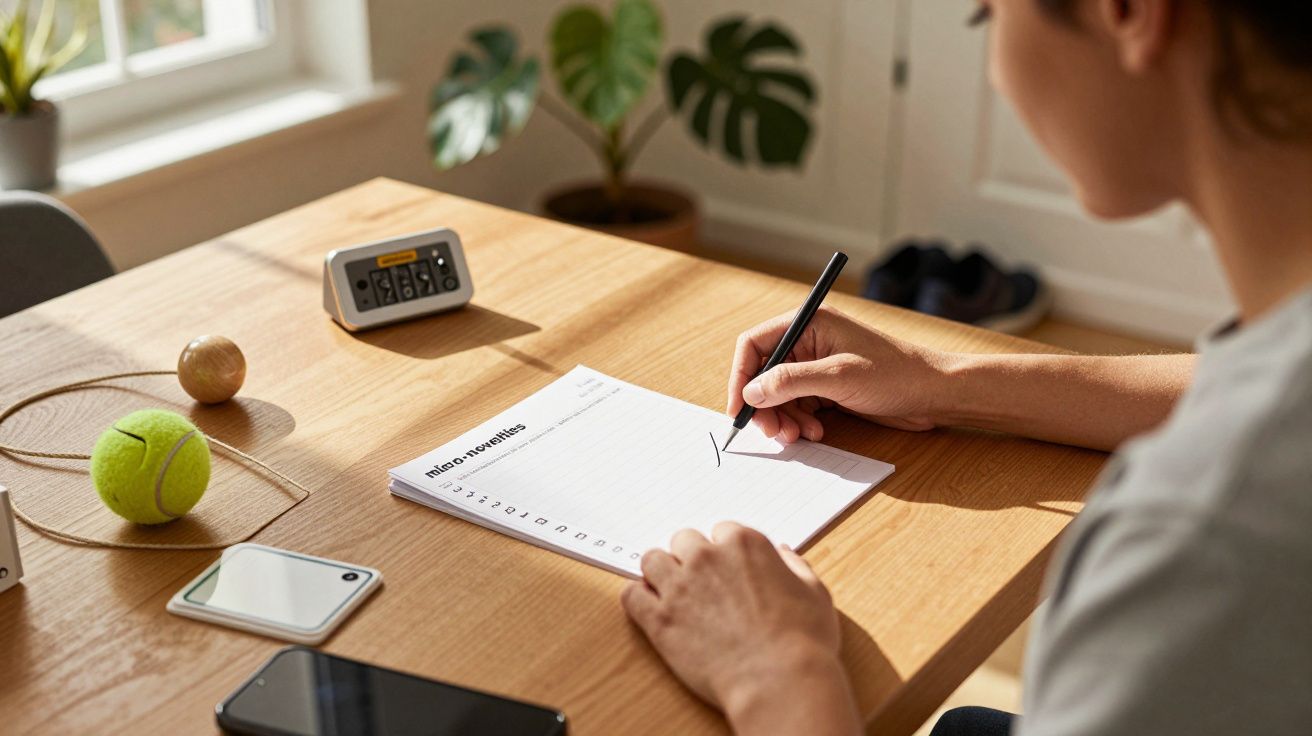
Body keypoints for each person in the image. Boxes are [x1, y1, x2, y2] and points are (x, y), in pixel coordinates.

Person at [619, 1, 1312, 734]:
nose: (997, 73)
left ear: (1130, 13)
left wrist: (777, 674)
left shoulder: (1205, 537)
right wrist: (944, 382)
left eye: (987, 14)